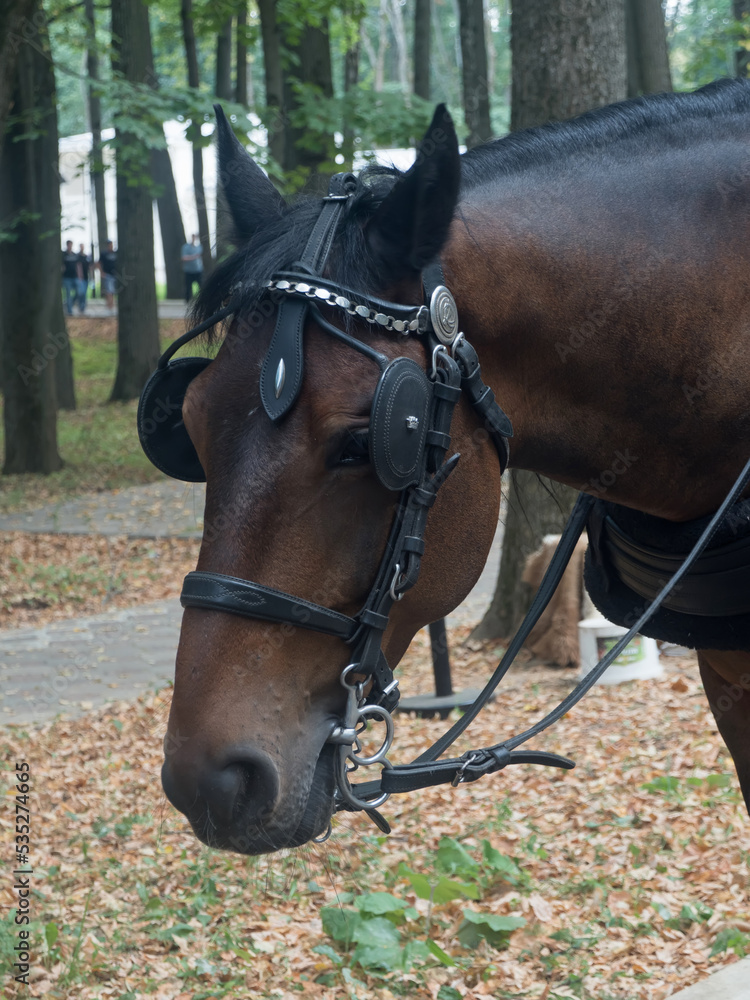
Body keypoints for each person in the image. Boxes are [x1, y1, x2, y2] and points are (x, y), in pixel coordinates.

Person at [181, 233, 203, 302]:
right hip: (188, 270)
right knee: (188, 287)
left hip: (198, 270)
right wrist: (193, 257)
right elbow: (184, 257)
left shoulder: (199, 247)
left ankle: (202, 299)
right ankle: (187, 300)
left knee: (201, 285)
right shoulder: (185, 247)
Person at [97, 240, 117, 315]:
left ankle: (110, 305)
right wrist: (101, 272)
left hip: (115, 275)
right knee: (109, 291)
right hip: (108, 275)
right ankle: (110, 307)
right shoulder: (104, 254)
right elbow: (98, 263)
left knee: (113, 291)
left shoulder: (116, 253)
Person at [61, 240, 78, 316]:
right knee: (68, 293)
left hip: (74, 277)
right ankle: (70, 311)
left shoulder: (74, 255)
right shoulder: (63, 254)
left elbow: (78, 265)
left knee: (78, 292)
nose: (70, 246)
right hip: (66, 277)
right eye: (69, 245)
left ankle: (69, 303)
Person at [75, 244, 90, 314]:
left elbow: (90, 267)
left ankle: (83, 307)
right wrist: (79, 276)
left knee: (84, 293)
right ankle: (81, 305)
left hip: (86, 277)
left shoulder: (87, 257)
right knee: (81, 293)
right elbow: (78, 266)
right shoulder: (77, 256)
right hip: (80, 278)